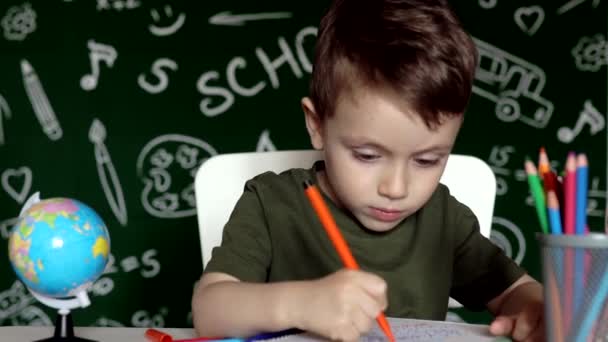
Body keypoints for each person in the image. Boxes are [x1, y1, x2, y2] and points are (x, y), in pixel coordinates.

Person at [191, 0, 545, 341]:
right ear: (316, 125)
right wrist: (299, 304)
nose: (396, 187)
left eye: (426, 160)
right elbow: (209, 312)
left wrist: (533, 310)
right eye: (367, 155)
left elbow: (517, 291)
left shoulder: (444, 219)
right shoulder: (272, 204)